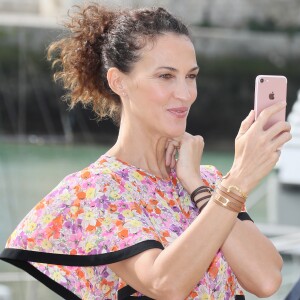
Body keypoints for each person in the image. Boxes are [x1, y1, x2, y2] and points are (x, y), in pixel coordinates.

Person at [0, 3, 292, 300]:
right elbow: (164, 283)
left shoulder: (207, 181)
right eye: (166, 76)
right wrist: (237, 181)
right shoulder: (96, 190)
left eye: (191, 76)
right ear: (119, 81)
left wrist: (198, 186)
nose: (185, 93)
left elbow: (266, 279)